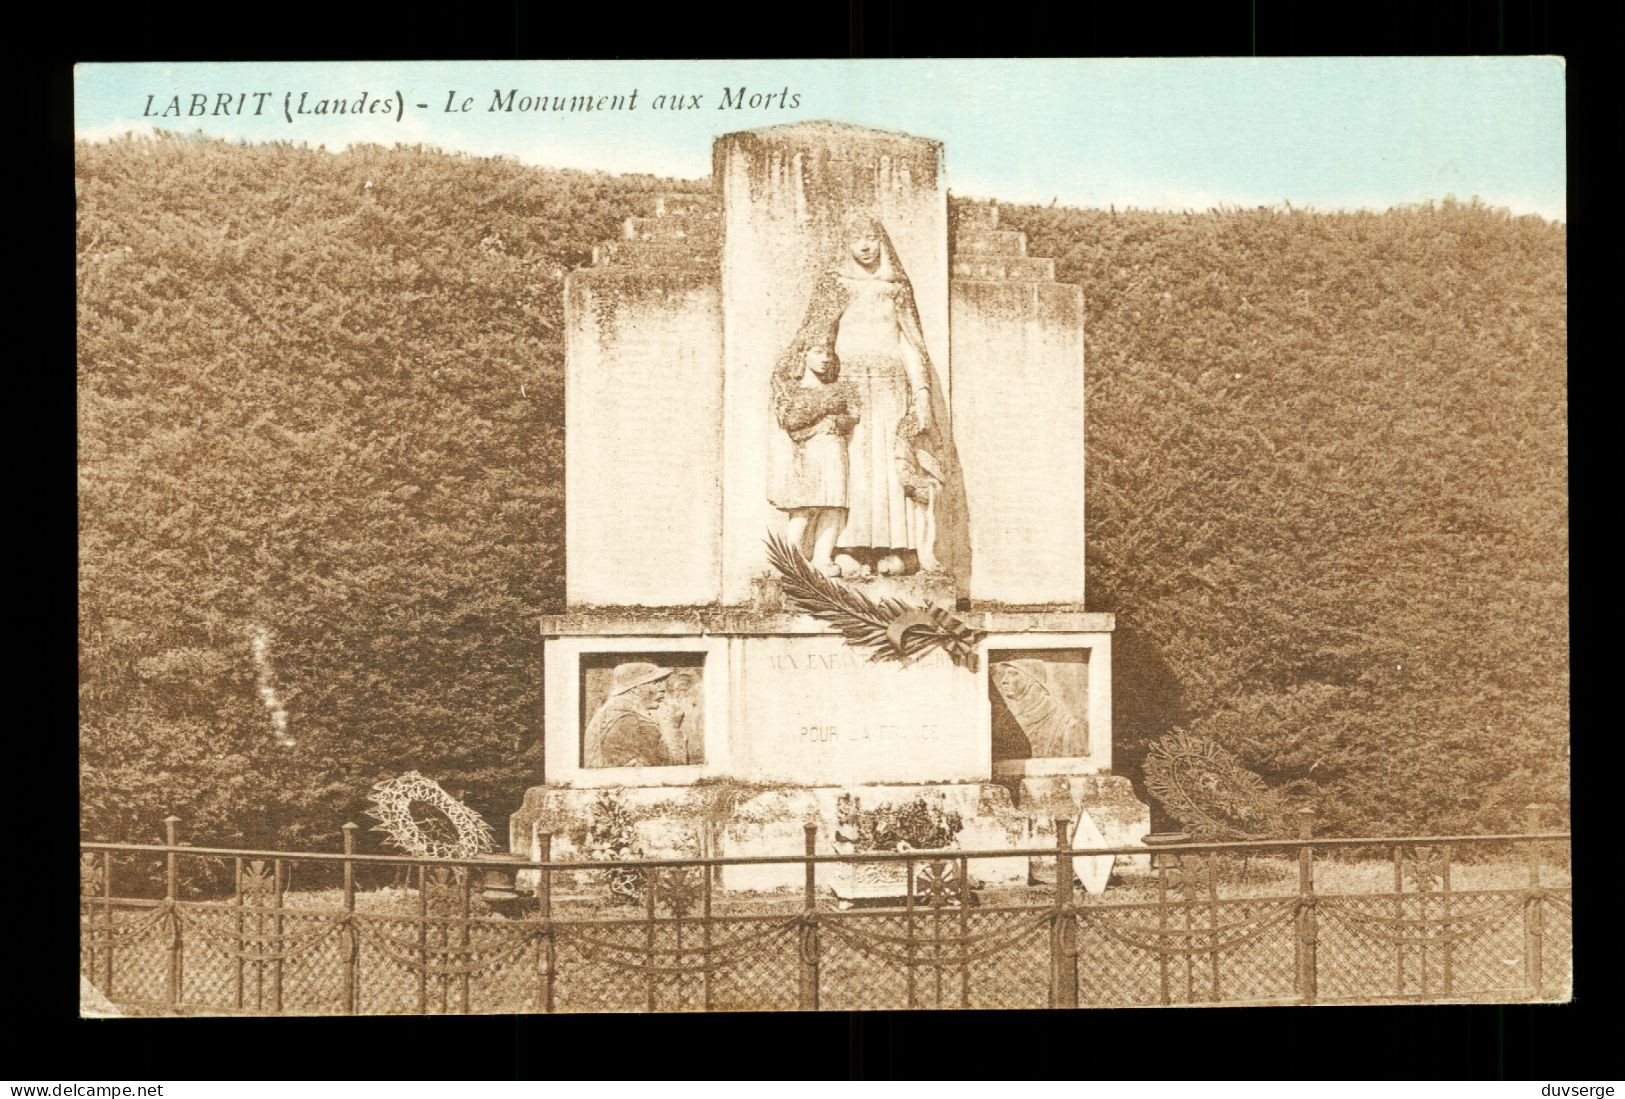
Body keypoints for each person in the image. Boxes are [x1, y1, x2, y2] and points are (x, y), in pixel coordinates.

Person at [793, 213, 944, 572]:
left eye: (872, 237)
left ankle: (900, 548)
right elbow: (817, 339)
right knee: (853, 467)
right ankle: (846, 546)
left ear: (882, 242)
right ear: (846, 245)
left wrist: (921, 393)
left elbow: (910, 344)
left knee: (894, 467)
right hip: (849, 386)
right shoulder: (836, 285)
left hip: (893, 387)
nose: (865, 245)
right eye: (857, 238)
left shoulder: (896, 288)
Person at [768, 330, 861, 576]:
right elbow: (792, 420)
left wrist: (835, 420)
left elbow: (853, 416)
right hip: (808, 451)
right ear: (804, 355)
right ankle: (791, 559)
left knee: (834, 505)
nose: (826, 358)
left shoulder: (840, 388)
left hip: (834, 448)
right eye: (818, 352)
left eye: (829, 353)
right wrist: (825, 411)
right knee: (805, 506)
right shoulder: (794, 390)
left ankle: (822, 558)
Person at [582, 662, 675, 768]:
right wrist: (672, 729)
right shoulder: (634, 722)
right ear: (635, 689)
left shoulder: (612, 712)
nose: (662, 689)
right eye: (655, 683)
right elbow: (666, 772)